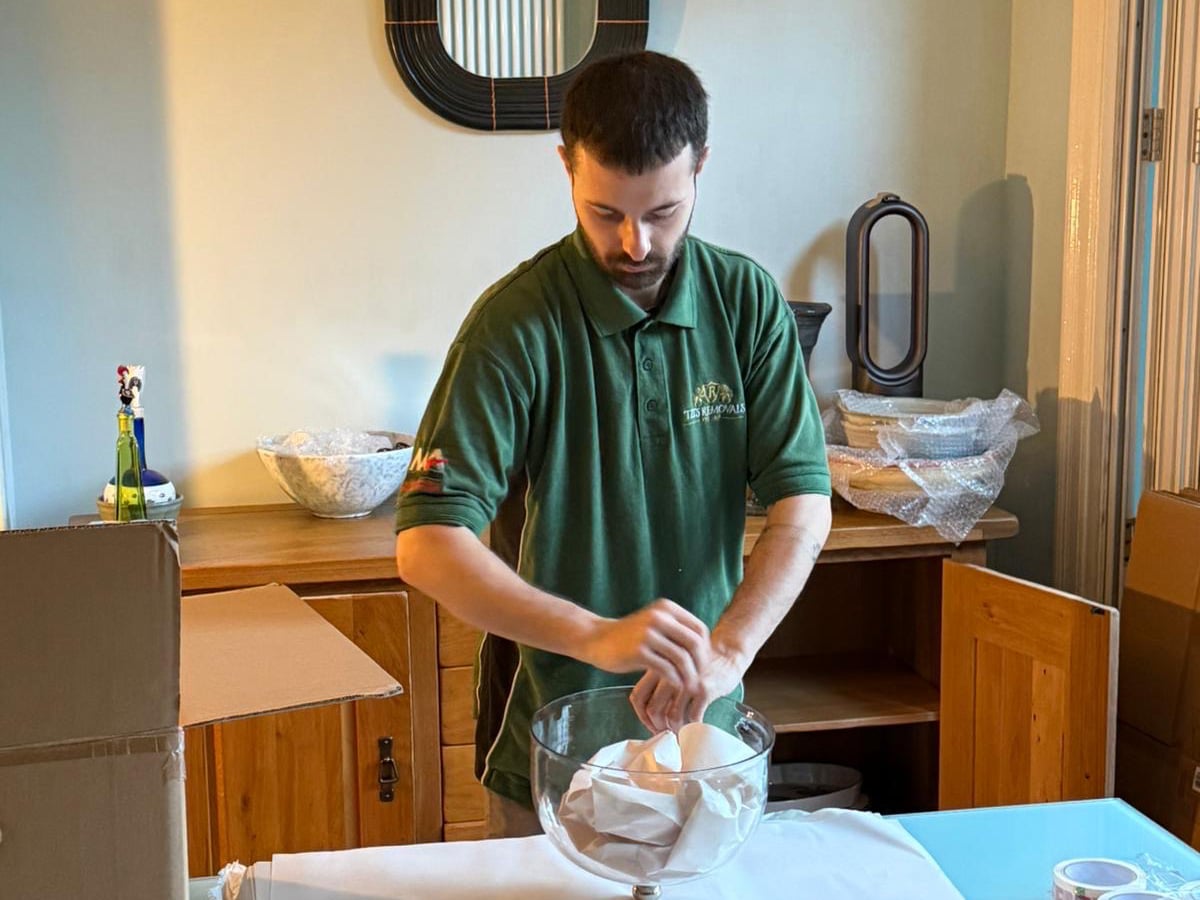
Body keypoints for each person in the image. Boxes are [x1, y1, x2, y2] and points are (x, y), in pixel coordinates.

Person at [394, 50, 832, 839]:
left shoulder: (747, 304)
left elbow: (803, 508)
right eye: (605, 212)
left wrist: (728, 654)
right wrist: (598, 636)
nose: (634, 243)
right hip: (552, 745)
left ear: (701, 166)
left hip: (706, 740)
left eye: (662, 213)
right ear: (566, 166)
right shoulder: (515, 324)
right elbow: (426, 545)